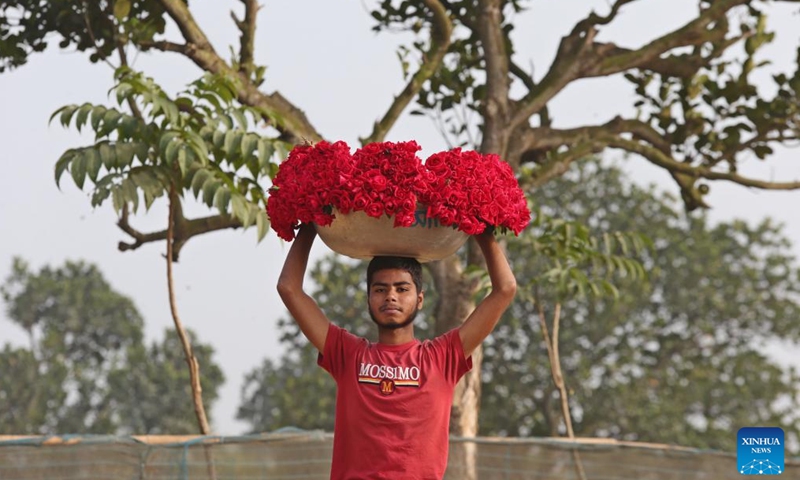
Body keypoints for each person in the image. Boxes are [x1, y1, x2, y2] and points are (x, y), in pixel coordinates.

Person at [277, 223, 516, 480]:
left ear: (420, 299)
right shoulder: (347, 354)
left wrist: (479, 227)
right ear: (368, 298)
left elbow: (505, 289)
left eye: (402, 289)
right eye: (380, 289)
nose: (391, 297)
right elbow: (289, 288)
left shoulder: (442, 357)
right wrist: (311, 224)